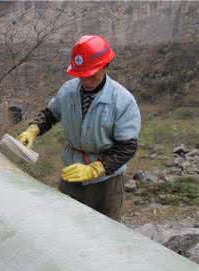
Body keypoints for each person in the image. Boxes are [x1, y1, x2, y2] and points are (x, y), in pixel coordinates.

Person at [17, 35, 141, 221]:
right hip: (72, 171)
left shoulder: (122, 100)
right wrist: (33, 129)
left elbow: (127, 146)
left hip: (106, 181)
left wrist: (97, 168)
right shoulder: (68, 91)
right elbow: (50, 114)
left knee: (104, 229)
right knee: (68, 223)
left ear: (105, 65)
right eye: (81, 74)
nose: (86, 79)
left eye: (91, 74)